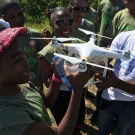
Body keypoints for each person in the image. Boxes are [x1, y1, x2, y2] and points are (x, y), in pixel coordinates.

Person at [0, 27, 93, 135]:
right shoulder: (8, 116)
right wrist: (77, 90)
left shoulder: (22, 85)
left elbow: (46, 102)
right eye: (17, 60)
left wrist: (56, 77)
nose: (26, 62)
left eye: (23, 54)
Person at [38, 7, 90, 135]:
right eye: (60, 22)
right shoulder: (48, 52)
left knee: (78, 122)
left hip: (78, 93)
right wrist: (65, 82)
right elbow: (46, 80)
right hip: (60, 98)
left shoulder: (80, 44)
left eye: (70, 22)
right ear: (51, 24)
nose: (66, 26)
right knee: (65, 127)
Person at [95, 30, 135, 135]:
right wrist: (96, 69)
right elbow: (106, 59)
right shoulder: (124, 36)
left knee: (124, 132)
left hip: (131, 102)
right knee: (102, 130)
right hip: (109, 95)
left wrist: (116, 83)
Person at [0, 0, 46, 89]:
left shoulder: (35, 35)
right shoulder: (5, 40)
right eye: (12, 16)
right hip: (16, 89)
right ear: (4, 18)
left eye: (20, 14)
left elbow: (44, 60)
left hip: (37, 86)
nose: (18, 19)